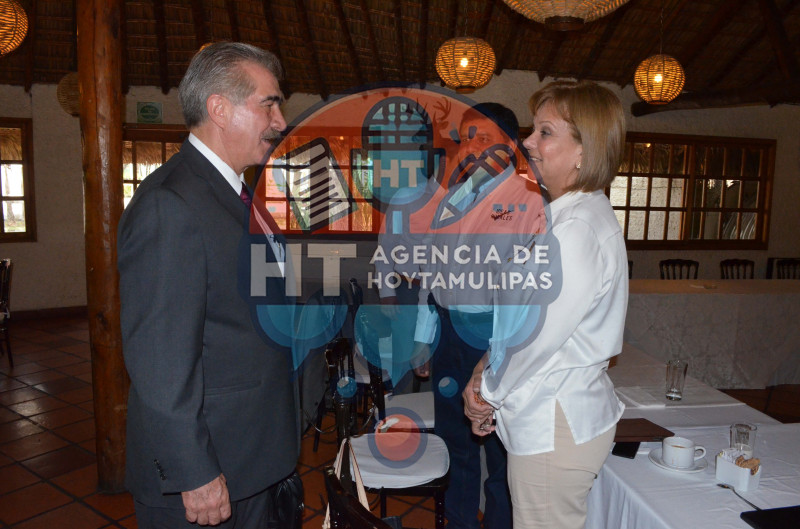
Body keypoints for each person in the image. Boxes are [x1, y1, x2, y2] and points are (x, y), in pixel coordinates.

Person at [118, 42, 301, 528]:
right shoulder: (171, 204)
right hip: (207, 470)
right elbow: (160, 360)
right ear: (219, 108)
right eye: (269, 103)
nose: (281, 121)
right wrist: (193, 471)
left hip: (251, 454)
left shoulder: (237, 193)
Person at [462, 80, 628, 529]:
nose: (528, 142)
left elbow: (536, 340)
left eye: (545, 133)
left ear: (583, 151)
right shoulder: (569, 215)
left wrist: (487, 395)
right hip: (552, 415)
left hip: (554, 422)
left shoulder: (576, 231)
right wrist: (484, 369)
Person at [412, 102, 536, 529]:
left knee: (501, 454)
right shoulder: (453, 198)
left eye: (484, 137)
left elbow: (528, 292)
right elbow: (431, 271)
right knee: (453, 445)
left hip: (494, 340)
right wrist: (424, 337)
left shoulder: (530, 200)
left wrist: (501, 354)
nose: (473, 148)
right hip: (448, 335)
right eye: (466, 138)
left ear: (511, 145)